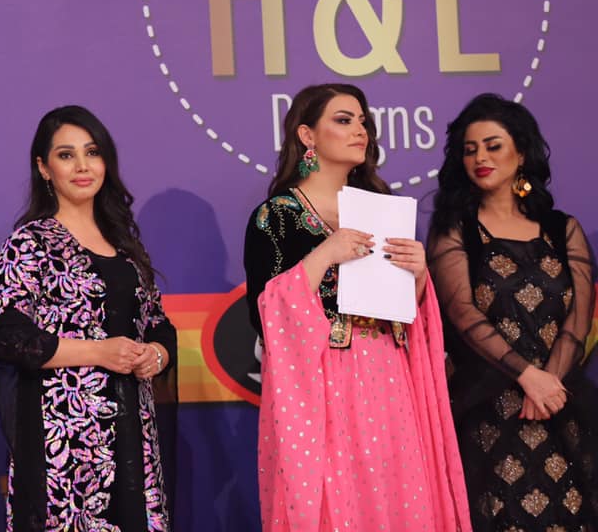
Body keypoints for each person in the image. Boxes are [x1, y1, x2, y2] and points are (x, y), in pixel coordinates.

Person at [243, 83, 470, 531]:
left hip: (391, 377)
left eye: (363, 121)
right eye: (344, 120)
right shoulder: (277, 216)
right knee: (338, 502)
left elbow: (406, 313)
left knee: (400, 498)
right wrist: (324, 255)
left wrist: (418, 276)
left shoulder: (381, 211)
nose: (360, 131)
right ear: (307, 135)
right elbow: (265, 314)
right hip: (326, 383)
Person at [0, 105, 176, 531]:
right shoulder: (30, 243)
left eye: (92, 152)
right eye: (66, 155)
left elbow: (159, 325)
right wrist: (99, 353)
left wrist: (155, 355)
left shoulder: (125, 246)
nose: (82, 166)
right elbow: (7, 337)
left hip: (134, 433)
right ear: (44, 168)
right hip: (65, 440)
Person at [428, 93, 598, 530]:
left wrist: (549, 383)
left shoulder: (562, 229)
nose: (480, 158)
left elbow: (579, 317)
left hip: (561, 407)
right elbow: (462, 313)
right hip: (487, 411)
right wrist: (528, 377)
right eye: (470, 150)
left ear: (521, 153)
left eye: (493, 146)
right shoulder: (455, 230)